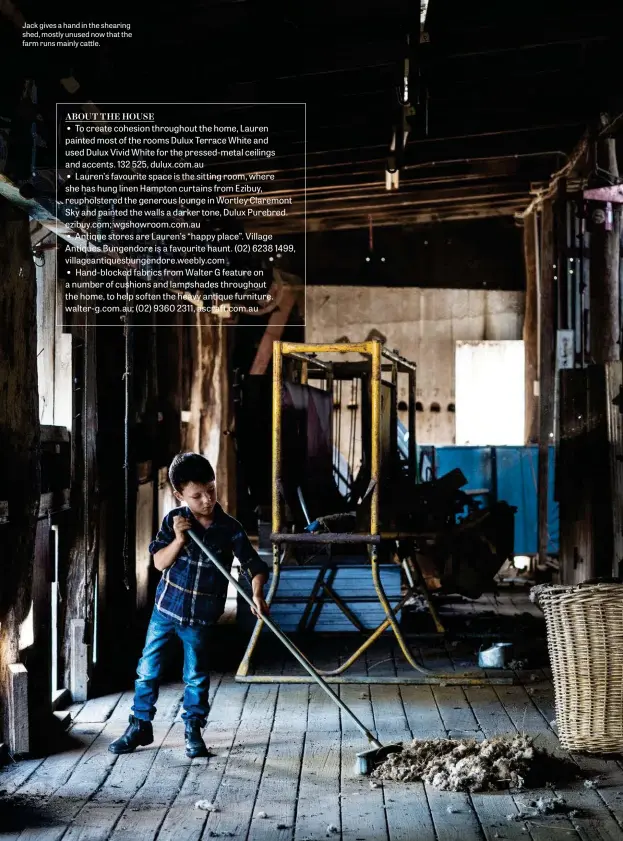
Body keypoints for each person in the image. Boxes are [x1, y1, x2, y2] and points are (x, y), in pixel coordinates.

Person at [109, 452, 270, 758]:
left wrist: (258, 594)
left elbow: (256, 566)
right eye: (197, 496)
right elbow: (159, 562)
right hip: (166, 609)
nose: (207, 500)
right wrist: (180, 540)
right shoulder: (174, 522)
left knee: (195, 674)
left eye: (211, 490)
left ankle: (193, 729)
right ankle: (140, 725)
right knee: (148, 670)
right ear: (179, 495)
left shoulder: (230, 528)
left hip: (202, 616)